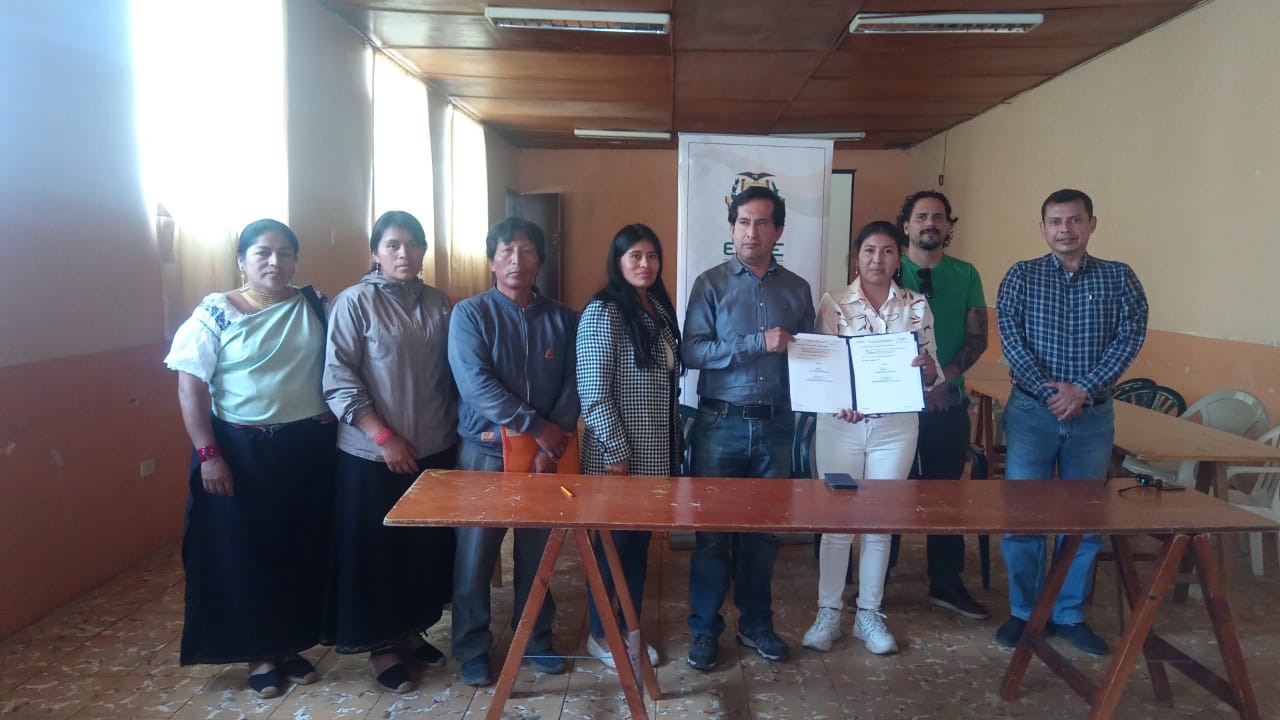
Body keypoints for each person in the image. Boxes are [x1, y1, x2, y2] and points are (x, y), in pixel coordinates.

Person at [165, 218, 335, 698]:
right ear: (241, 260)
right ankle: (260, 653)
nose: (274, 262)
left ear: (295, 260)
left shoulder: (313, 305)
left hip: (305, 451)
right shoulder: (215, 314)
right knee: (245, 553)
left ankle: (290, 643)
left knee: (298, 549)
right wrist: (209, 455)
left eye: (284, 253)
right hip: (239, 453)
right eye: (262, 252)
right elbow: (190, 388)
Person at [994, 188, 1148, 655]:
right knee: (1023, 517)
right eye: (1056, 221)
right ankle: (1025, 611)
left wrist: (1082, 389)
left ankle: (1068, 613)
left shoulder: (1119, 277)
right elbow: (1011, 340)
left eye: (1075, 220)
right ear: (1043, 228)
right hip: (1031, 413)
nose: (1066, 229)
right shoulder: (1022, 275)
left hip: (1092, 416)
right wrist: (1051, 393)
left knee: (1082, 519)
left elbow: (1129, 338)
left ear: (1091, 224)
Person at [322, 210, 457, 692]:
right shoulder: (353, 303)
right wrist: (383, 437)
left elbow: (453, 373)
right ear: (375, 252)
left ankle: (409, 632)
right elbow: (338, 378)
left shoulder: (439, 303)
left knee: (423, 550)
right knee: (377, 552)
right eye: (393, 245)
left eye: (413, 244)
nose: (405, 253)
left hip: (435, 447)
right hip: (372, 454)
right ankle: (381, 646)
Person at [682, 185, 815, 670]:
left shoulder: (797, 289)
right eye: (743, 222)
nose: (751, 232)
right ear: (732, 227)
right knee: (712, 534)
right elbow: (692, 351)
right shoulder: (710, 284)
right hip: (720, 425)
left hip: (776, 427)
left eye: (762, 223)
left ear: (778, 231)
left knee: (764, 534)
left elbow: (812, 357)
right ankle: (704, 629)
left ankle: (756, 624)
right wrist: (757, 342)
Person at [448, 217, 579, 687]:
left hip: (547, 455)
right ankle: (472, 648)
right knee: (475, 555)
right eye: (506, 251)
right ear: (491, 261)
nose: (516, 260)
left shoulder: (563, 318)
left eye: (526, 250)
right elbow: (475, 384)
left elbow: (574, 383)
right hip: (485, 452)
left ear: (539, 259)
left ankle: (536, 639)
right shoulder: (469, 314)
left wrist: (552, 441)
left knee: (538, 552)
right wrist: (536, 428)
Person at [801, 221, 941, 656]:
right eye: (868, 251)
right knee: (838, 521)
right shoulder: (834, 303)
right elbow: (822, 364)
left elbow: (932, 371)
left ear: (899, 259)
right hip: (840, 426)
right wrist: (837, 399)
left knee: (880, 521)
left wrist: (927, 369)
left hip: (895, 429)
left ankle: (868, 614)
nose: (877, 260)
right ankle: (828, 612)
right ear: (856, 257)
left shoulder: (916, 305)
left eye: (886, 251)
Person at [577, 224, 681, 670]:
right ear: (618, 261)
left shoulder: (656, 306)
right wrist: (616, 453)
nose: (645, 264)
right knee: (611, 548)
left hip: (655, 454)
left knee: (637, 548)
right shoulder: (603, 311)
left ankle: (630, 628)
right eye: (635, 255)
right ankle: (602, 634)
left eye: (652, 256)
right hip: (616, 459)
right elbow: (593, 392)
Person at [886, 190, 991, 620]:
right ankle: (878, 583)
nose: (930, 222)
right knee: (890, 493)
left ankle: (946, 583)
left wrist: (941, 380)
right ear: (906, 225)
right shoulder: (888, 267)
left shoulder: (966, 274)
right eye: (921, 216)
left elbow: (978, 337)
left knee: (946, 497)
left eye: (938, 217)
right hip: (894, 407)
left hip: (948, 404)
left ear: (948, 225)